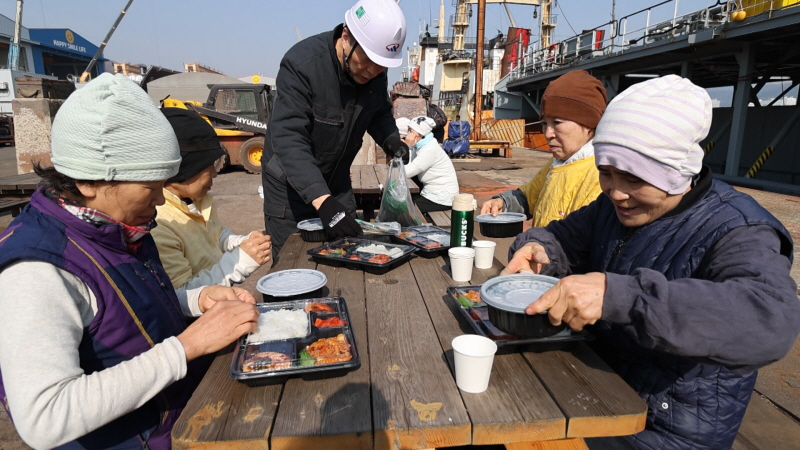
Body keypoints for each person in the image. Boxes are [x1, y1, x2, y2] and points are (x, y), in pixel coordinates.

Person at [503, 75, 800, 449]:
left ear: (676, 172)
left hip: (665, 430)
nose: (616, 192)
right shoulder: (611, 207)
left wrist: (617, 296)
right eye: (605, 172)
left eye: (633, 178)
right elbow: (562, 236)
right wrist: (539, 249)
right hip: (600, 387)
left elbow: (769, 321)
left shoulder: (739, 229)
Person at [0, 73, 259, 449]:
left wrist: (196, 300)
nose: (160, 200)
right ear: (88, 181)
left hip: (177, 421)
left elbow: (123, 311)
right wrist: (185, 347)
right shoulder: (36, 271)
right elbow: (45, 417)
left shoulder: (119, 227)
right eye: (151, 187)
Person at [261, 0, 409, 258]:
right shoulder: (302, 65)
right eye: (367, 60)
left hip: (337, 183)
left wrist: (391, 140)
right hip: (290, 189)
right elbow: (289, 138)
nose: (373, 71)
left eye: (381, 65)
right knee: (293, 262)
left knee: (350, 255)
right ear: (346, 37)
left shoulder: (374, 72)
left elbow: (378, 112)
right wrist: (322, 200)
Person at [152, 108, 272, 290]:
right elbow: (184, 294)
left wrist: (242, 242)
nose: (215, 174)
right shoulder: (159, 224)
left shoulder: (198, 200)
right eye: (209, 165)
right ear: (186, 166)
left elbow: (216, 235)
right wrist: (241, 261)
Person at [479, 70, 607, 227]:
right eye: (544, 123)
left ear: (589, 124)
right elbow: (528, 196)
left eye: (557, 123)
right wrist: (502, 202)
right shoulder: (558, 162)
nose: (547, 133)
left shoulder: (601, 178)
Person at [400, 116, 460, 213]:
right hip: (430, 193)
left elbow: (408, 172)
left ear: (419, 134)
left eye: (410, 131)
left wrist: (408, 146)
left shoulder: (429, 149)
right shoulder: (422, 145)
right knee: (403, 201)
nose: (407, 134)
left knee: (405, 209)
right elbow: (411, 164)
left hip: (442, 198)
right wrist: (410, 147)